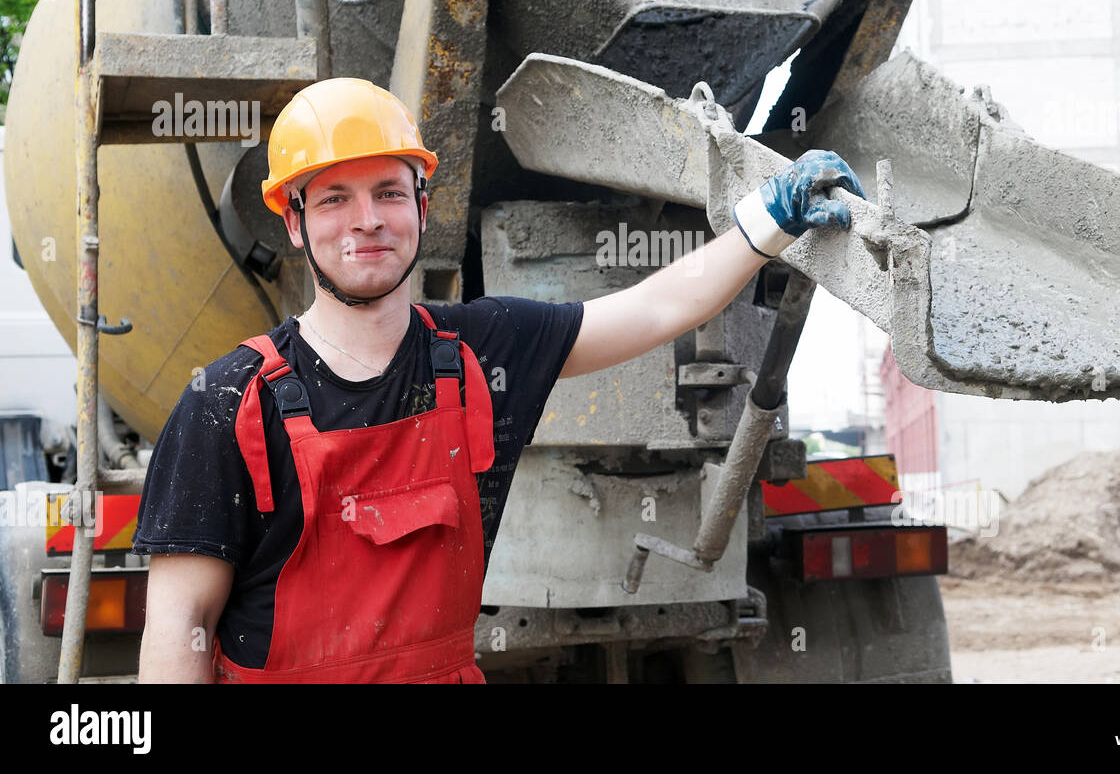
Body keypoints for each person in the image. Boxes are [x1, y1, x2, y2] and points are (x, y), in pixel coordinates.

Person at [133, 76, 865, 683]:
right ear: (293, 223)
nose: (368, 220)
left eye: (389, 192)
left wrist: (770, 218)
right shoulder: (230, 403)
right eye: (333, 198)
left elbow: (655, 307)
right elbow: (181, 627)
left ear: (423, 206)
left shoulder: (480, 350)